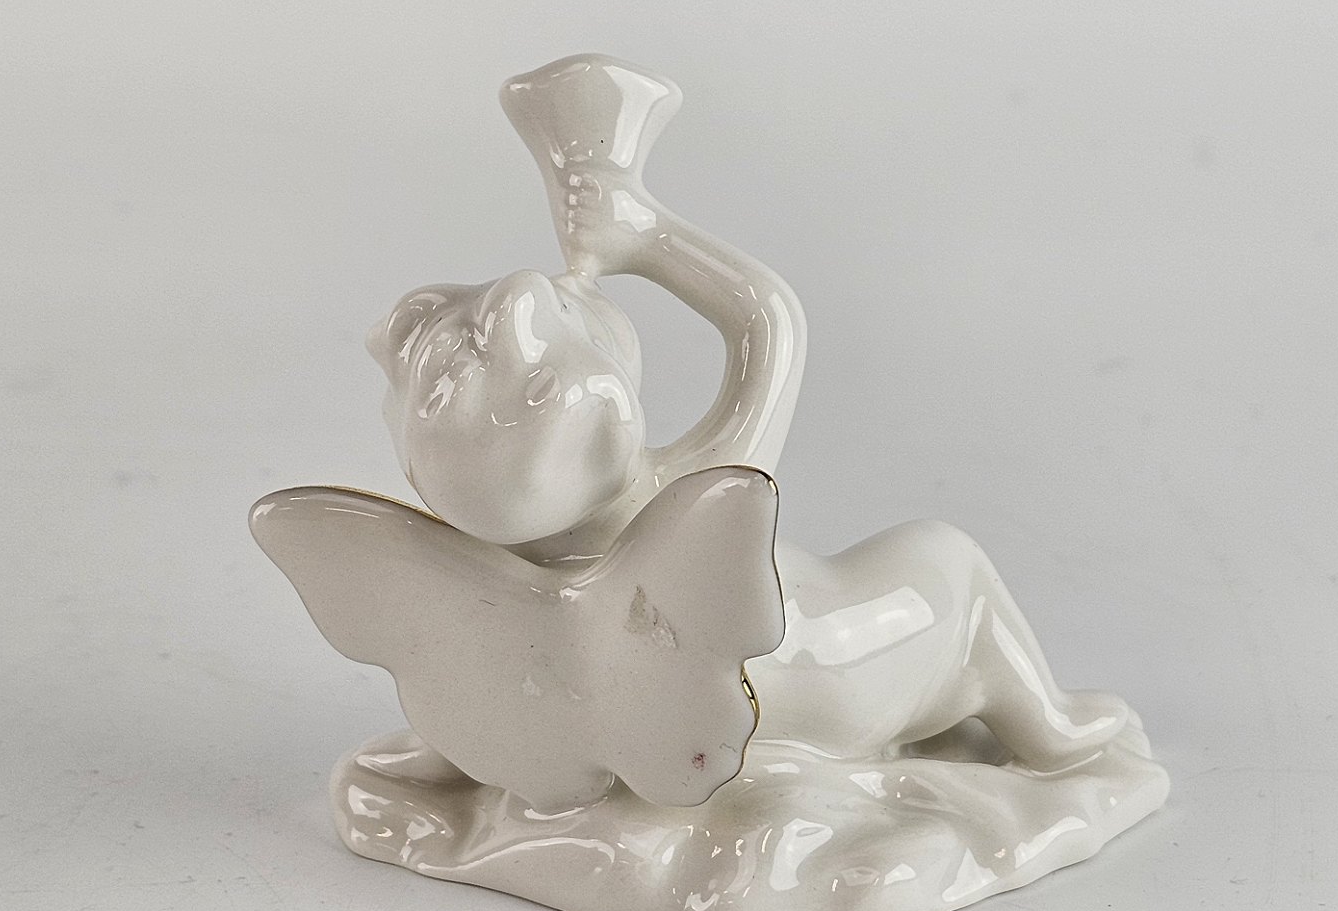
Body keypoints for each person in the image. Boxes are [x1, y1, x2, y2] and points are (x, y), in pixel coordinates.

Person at [357, 55, 1127, 793]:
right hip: (837, 673)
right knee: (946, 559)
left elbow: (485, 660)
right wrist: (649, 236)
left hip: (692, 707)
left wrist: (448, 743)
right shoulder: (689, 501)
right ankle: (1049, 729)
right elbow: (769, 324)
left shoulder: (498, 563)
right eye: (564, 313)